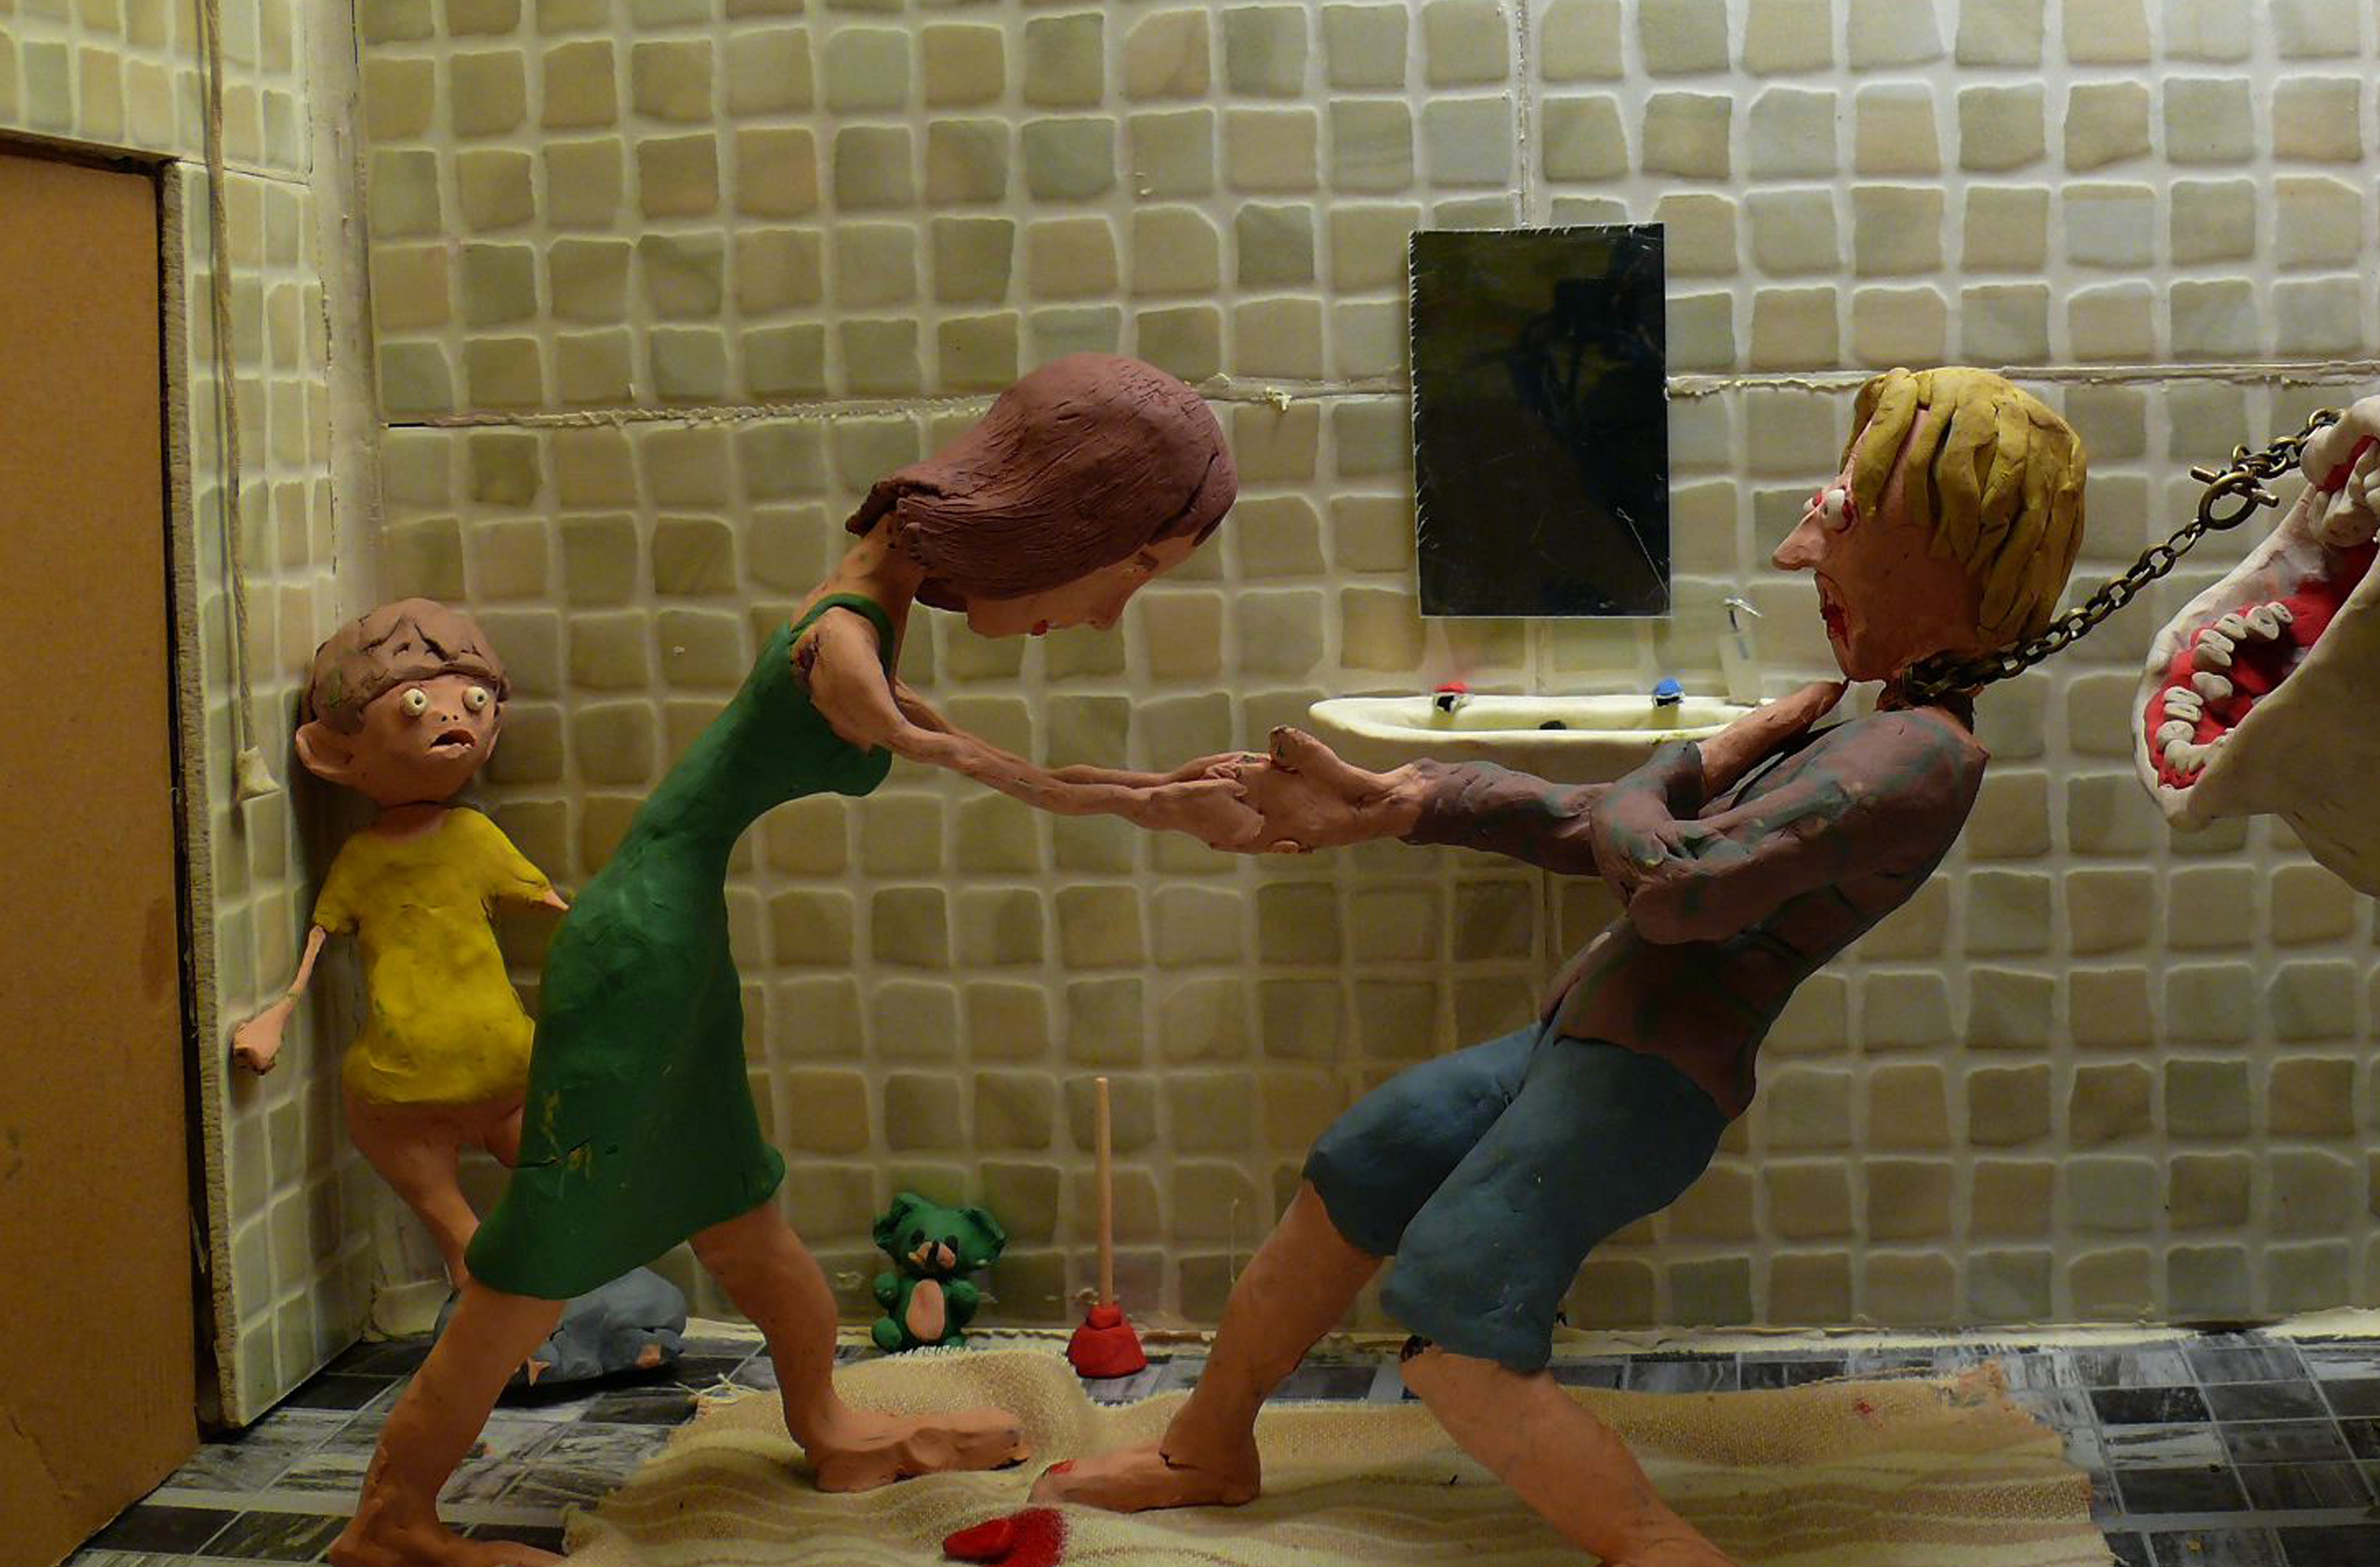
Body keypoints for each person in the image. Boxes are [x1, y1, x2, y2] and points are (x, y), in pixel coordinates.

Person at [1038, 367, 2088, 1567]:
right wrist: (1400, 799)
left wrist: (1693, 759)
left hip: (1645, 1084)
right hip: (1573, 1044)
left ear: (1953, 550)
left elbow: (1674, 884)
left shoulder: (1917, 757)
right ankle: (1206, 1450)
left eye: (1844, 518)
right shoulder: (1869, 731)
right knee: (1365, 1161)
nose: (1804, 552)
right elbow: (1603, 825)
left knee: (1455, 1307)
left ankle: (1658, 1550)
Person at [334, 354, 1255, 1567]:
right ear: (1058, 516)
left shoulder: (875, 596)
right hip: (638, 957)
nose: (1105, 614)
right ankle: (390, 1524)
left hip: (676, 941)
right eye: (1132, 567)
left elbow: (973, 747)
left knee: (740, 1212)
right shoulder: (843, 637)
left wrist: (1153, 788)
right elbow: (962, 758)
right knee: (535, 1262)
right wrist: (1147, 802)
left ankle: (829, 1428)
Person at [234, 602, 564, 1297]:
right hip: (415, 1082)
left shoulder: (471, 839)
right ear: (333, 754)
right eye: (416, 704)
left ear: (493, 727)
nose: (450, 717)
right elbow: (318, 943)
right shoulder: (366, 859)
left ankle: (539, 1294)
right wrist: (277, 1017)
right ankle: (493, 1304)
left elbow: (553, 909)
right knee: (475, 1231)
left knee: (554, 1191)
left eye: (473, 703)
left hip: (483, 1073)